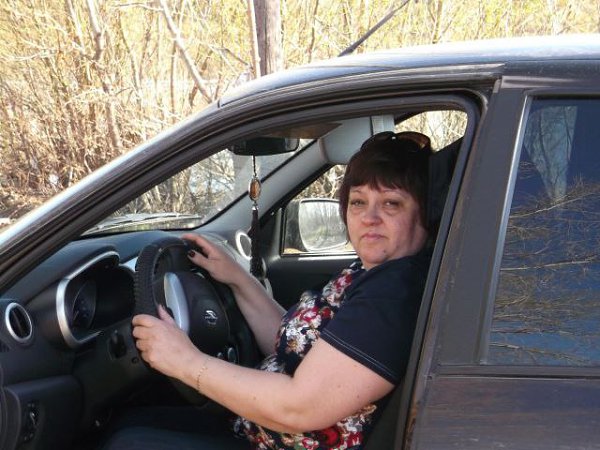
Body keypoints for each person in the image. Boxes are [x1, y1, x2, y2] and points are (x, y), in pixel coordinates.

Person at [103, 131, 433, 450]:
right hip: (256, 429)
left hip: (279, 434)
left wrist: (184, 361)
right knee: (130, 423)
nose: (369, 217)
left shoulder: (393, 294)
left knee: (127, 441)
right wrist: (237, 279)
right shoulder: (369, 272)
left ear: (423, 213)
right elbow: (295, 344)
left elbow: (299, 407)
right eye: (358, 201)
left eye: (391, 203)